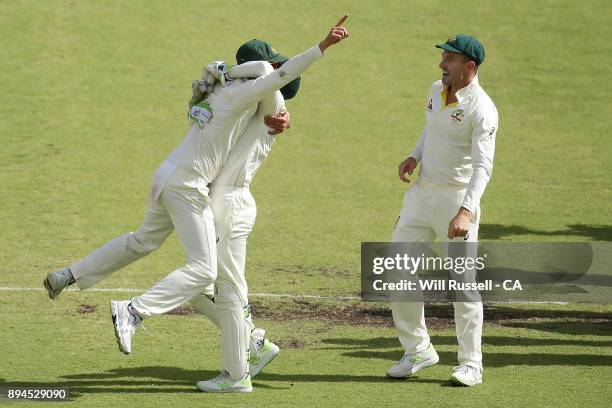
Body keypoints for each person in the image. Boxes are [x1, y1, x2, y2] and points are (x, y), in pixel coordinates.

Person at [44, 15, 349, 393]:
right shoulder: (249, 94)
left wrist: (245, 80)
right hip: (202, 191)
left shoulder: (220, 87)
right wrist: (321, 47)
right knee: (210, 277)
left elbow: (273, 82)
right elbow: (280, 76)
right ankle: (144, 315)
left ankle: (70, 275)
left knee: (164, 253)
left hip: (174, 176)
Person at [387, 34, 498, 386]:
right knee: (396, 268)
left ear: (470, 66)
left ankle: (471, 364)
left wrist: (466, 210)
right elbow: (429, 128)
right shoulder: (436, 89)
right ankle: (418, 349)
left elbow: (483, 166)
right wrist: (414, 156)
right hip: (421, 195)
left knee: (463, 284)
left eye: (449, 59)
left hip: (456, 201)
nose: (441, 65)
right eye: (442, 58)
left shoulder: (482, 108)